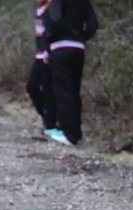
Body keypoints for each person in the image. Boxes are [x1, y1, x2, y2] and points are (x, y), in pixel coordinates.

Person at [42, 0, 98, 146]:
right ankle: (76, 132)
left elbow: (55, 19)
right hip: (78, 47)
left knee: (63, 91)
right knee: (74, 89)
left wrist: (49, 38)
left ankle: (69, 134)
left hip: (61, 47)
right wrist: (81, 36)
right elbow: (93, 24)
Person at [26, 0, 55, 137]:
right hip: (39, 54)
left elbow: (52, 31)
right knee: (32, 87)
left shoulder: (52, 9)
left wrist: (48, 50)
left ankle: (50, 122)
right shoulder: (39, 10)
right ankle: (45, 115)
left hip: (48, 54)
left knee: (48, 89)